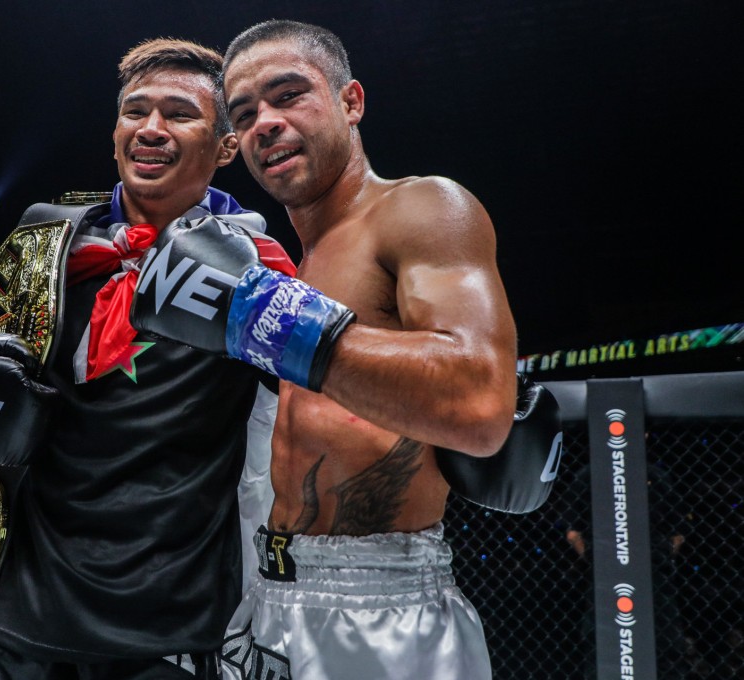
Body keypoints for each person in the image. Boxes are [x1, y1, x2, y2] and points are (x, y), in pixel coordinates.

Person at [0, 38, 294, 680]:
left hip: (169, 631)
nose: (150, 129)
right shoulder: (44, 244)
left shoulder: (258, 265)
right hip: (14, 613)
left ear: (227, 145)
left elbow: (325, 417)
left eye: (179, 113)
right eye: (135, 111)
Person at [127, 20, 518, 680]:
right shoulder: (289, 266)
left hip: (385, 615)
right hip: (269, 599)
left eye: (288, 95)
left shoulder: (422, 208)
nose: (265, 123)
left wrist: (261, 318)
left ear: (351, 101)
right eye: (245, 113)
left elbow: (480, 404)